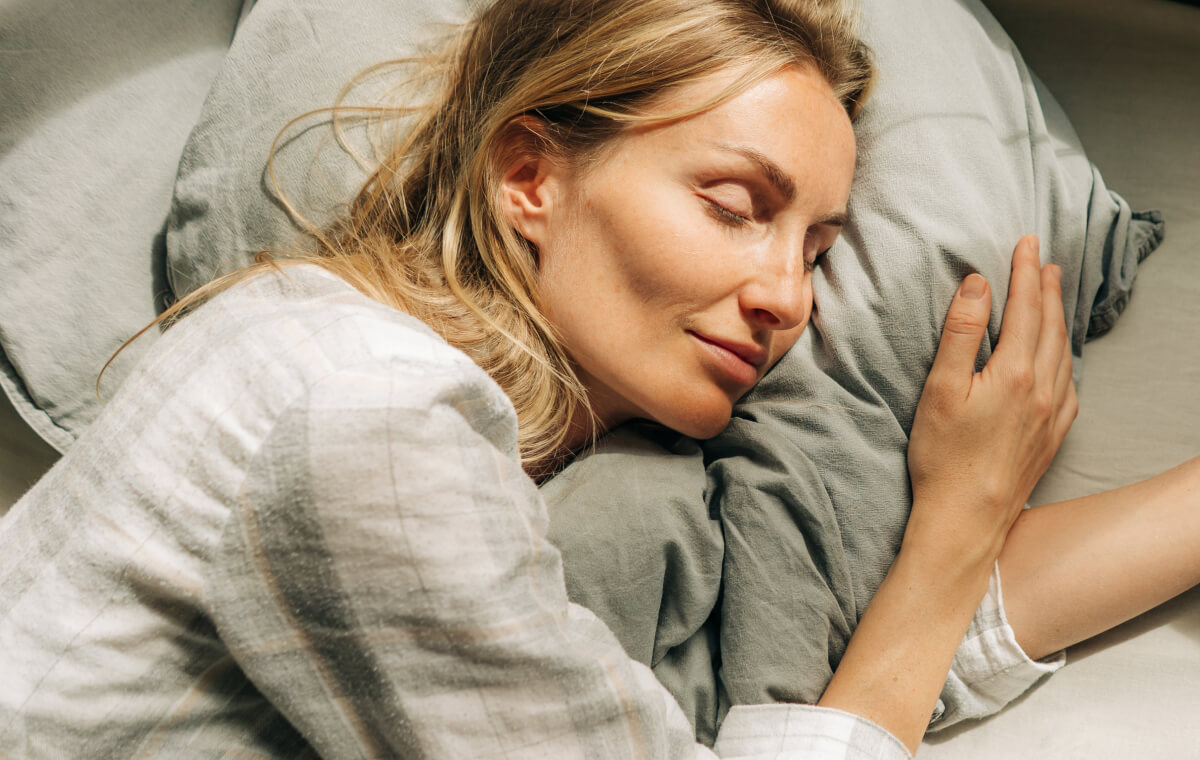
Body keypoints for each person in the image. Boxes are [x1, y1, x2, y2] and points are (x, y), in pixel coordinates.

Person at [0, 0, 1195, 757]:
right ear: (530, 173)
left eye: (821, 251)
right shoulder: (363, 411)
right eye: (734, 206)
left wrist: (966, 526)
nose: (788, 294)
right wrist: (958, 524)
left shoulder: (493, 445)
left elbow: (866, 668)